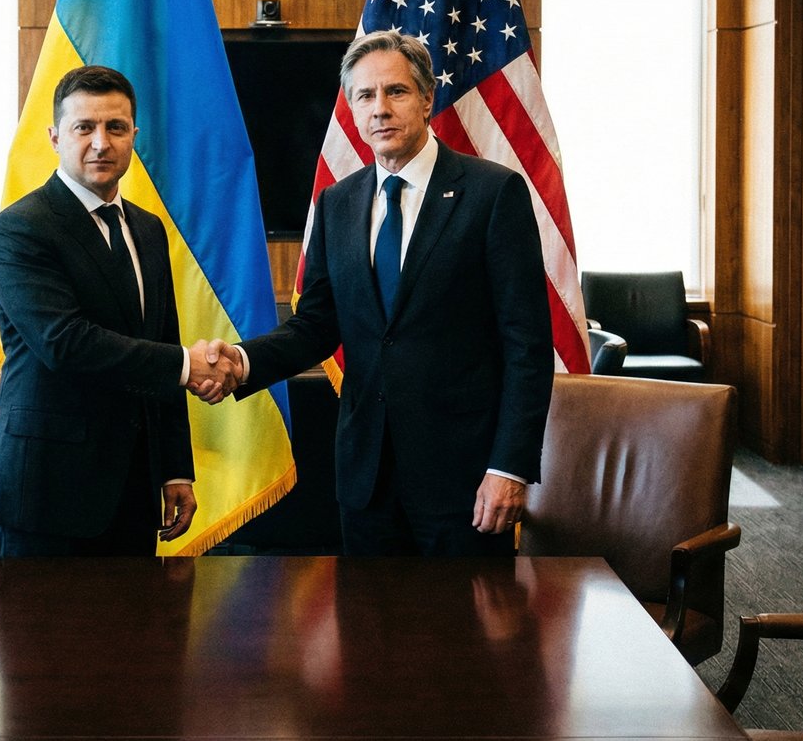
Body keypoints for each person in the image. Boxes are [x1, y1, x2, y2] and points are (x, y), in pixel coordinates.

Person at [207, 31, 553, 555]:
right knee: (369, 632)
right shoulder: (337, 204)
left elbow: (527, 346)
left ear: (427, 98)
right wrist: (241, 360)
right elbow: (315, 326)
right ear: (350, 106)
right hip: (366, 480)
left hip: (465, 479)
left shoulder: (492, 194)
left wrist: (509, 467)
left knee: (464, 632)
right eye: (365, 96)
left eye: (396, 92)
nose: (380, 109)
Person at [0, 65, 236, 556]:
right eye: (84, 127)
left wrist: (174, 468)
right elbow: (65, 343)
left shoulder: (148, 229)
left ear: (133, 136)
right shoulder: (19, 229)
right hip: (48, 493)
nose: (101, 142)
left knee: (135, 631)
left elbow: (160, 339)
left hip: (134, 486)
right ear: (55, 137)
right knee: (42, 635)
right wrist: (187, 365)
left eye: (115, 127)